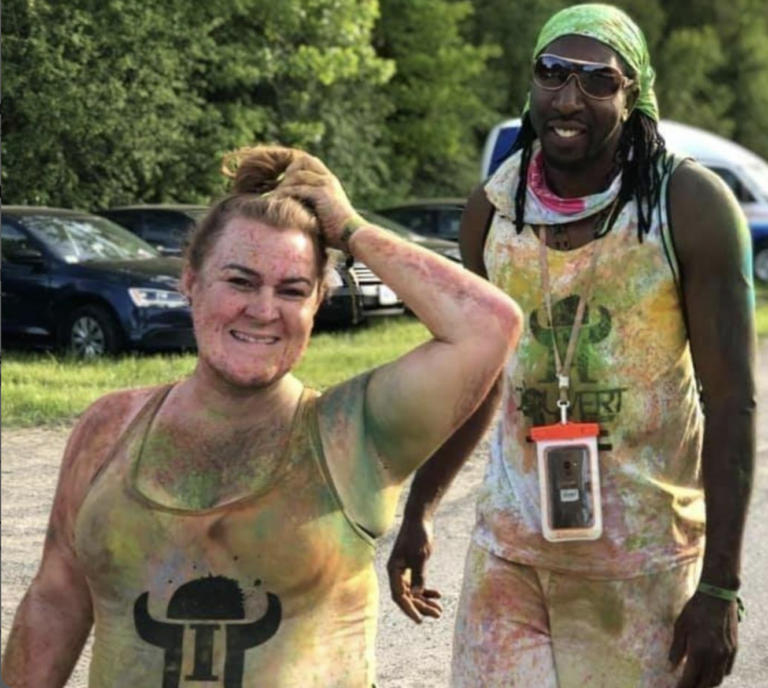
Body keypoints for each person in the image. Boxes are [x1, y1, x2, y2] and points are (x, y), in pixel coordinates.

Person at [1, 146, 522, 688]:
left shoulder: (354, 433)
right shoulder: (109, 427)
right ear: (190, 281)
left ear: (319, 300)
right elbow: (56, 596)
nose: (263, 309)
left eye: (292, 290)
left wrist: (350, 228)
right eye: (240, 281)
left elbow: (490, 325)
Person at [386, 4, 756, 687]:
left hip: (639, 566)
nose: (568, 97)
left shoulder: (688, 208)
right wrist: (421, 510)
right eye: (552, 72)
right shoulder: (493, 213)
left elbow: (732, 400)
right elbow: (475, 377)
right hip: (511, 556)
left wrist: (722, 588)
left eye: (597, 81)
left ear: (633, 93)